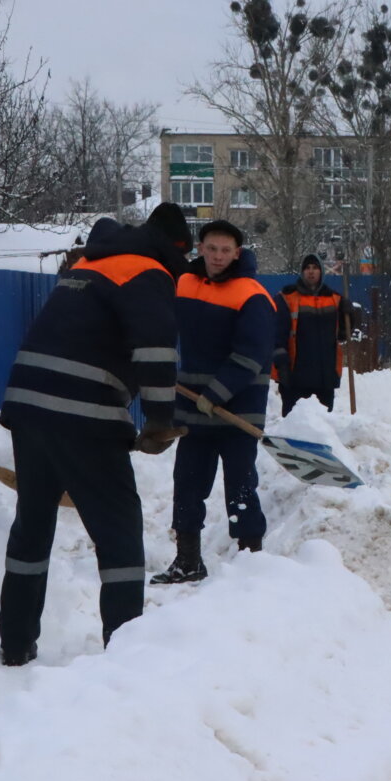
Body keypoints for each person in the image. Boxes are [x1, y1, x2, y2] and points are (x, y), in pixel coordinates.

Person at [0, 204, 192, 666]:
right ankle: (125, 652)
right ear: (175, 250)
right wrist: (159, 419)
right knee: (119, 529)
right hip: (83, 411)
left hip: (28, 405)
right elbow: (156, 349)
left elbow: (90, 336)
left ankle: (16, 643)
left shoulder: (91, 262)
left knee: (33, 524)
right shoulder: (148, 271)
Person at [150, 219, 276, 584]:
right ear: (200, 249)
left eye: (225, 250)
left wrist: (216, 393)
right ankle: (188, 561)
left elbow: (251, 355)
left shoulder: (252, 295)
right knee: (187, 485)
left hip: (238, 411)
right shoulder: (184, 284)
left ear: (237, 253)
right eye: (212, 248)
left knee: (240, 486)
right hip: (194, 411)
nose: (218, 256)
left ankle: (251, 559)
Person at [272, 253, 355, 416]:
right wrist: (282, 366)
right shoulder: (287, 298)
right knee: (294, 424)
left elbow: (343, 335)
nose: (311, 271)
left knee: (323, 425)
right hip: (295, 377)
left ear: (321, 271)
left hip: (325, 378)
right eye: (307, 268)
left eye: (315, 268)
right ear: (302, 272)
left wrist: (350, 314)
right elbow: (277, 336)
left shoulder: (335, 299)